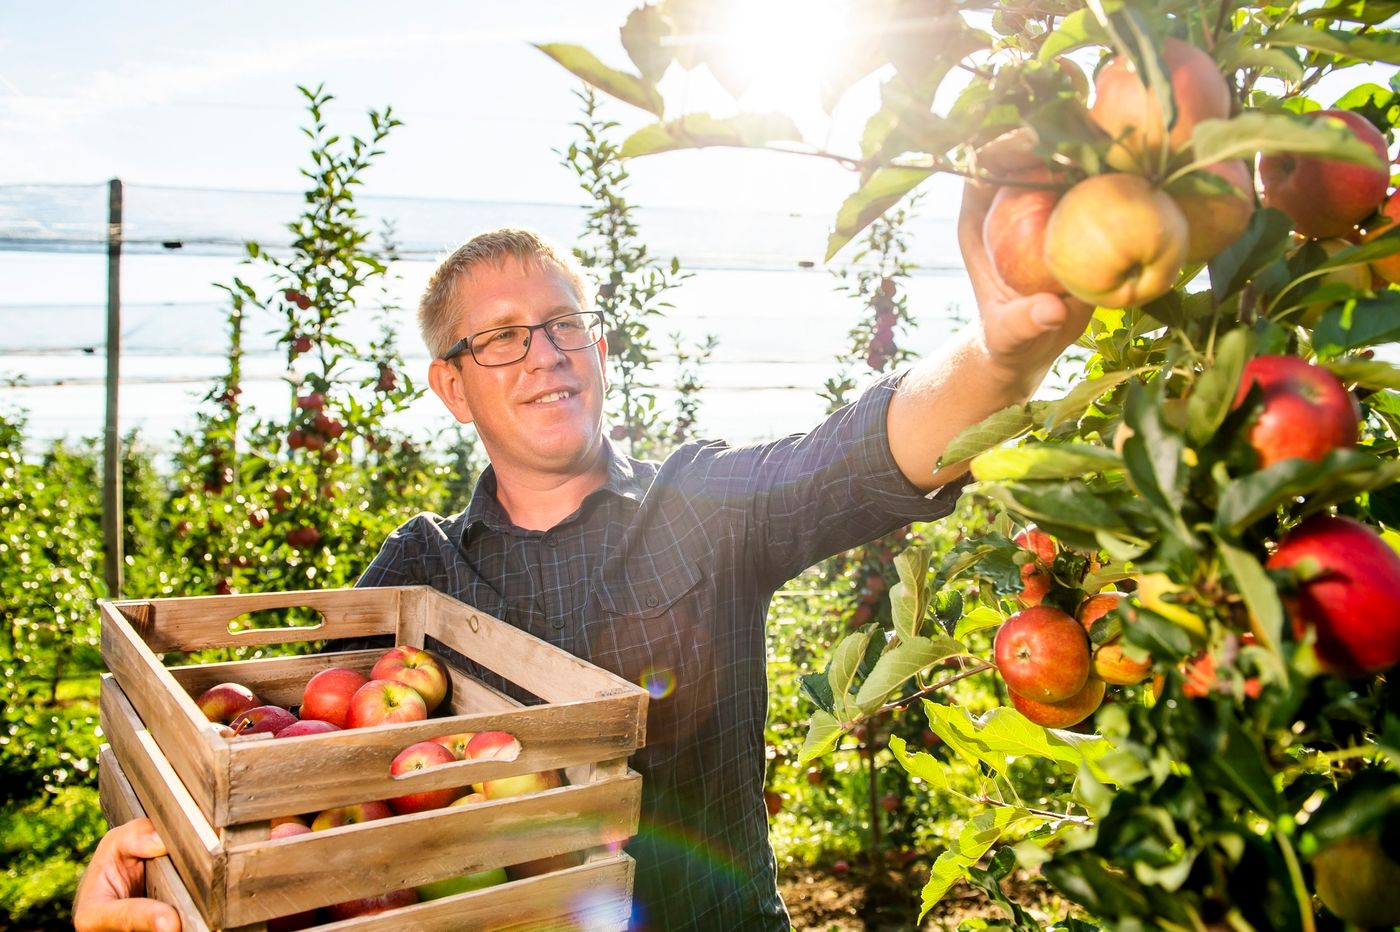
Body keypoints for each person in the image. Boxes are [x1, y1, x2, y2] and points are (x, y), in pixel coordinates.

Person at [74, 182, 1090, 931]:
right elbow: (291, 783)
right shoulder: (409, 583)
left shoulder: (703, 506)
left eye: (564, 324)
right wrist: (151, 866)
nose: (547, 353)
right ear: (451, 387)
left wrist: (1006, 344)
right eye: (503, 339)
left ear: (598, 348)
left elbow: (866, 450)